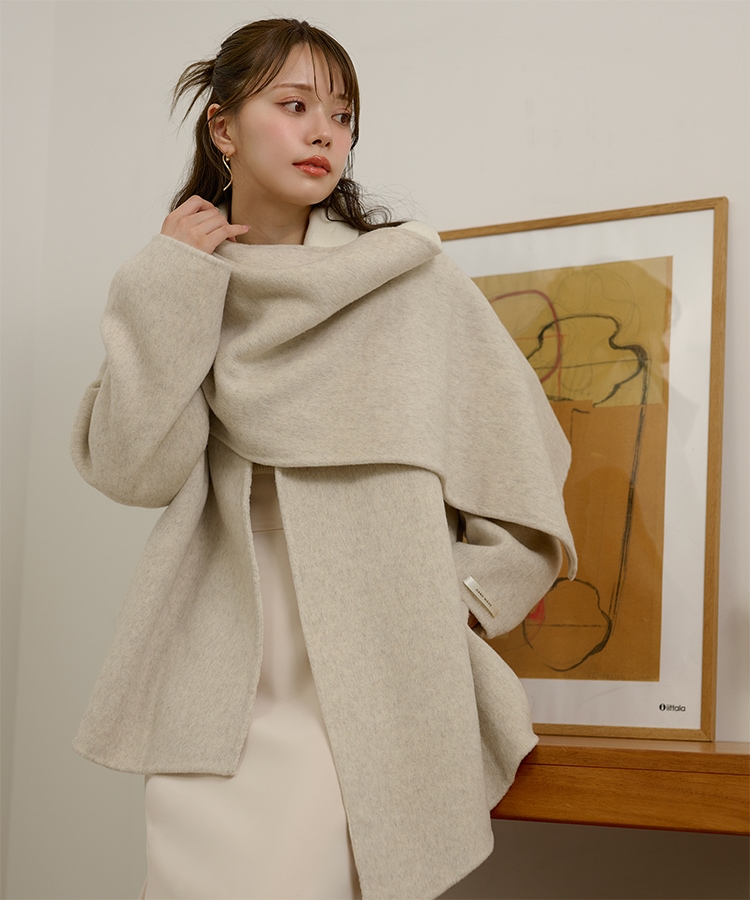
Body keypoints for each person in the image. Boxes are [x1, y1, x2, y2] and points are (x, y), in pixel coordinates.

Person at [71, 17, 576, 900]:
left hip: (374, 661)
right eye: (294, 105)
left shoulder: (408, 283)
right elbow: (133, 471)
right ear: (224, 127)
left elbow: (528, 469)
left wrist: (457, 601)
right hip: (217, 670)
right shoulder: (179, 281)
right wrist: (170, 282)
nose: (323, 133)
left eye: (341, 116)